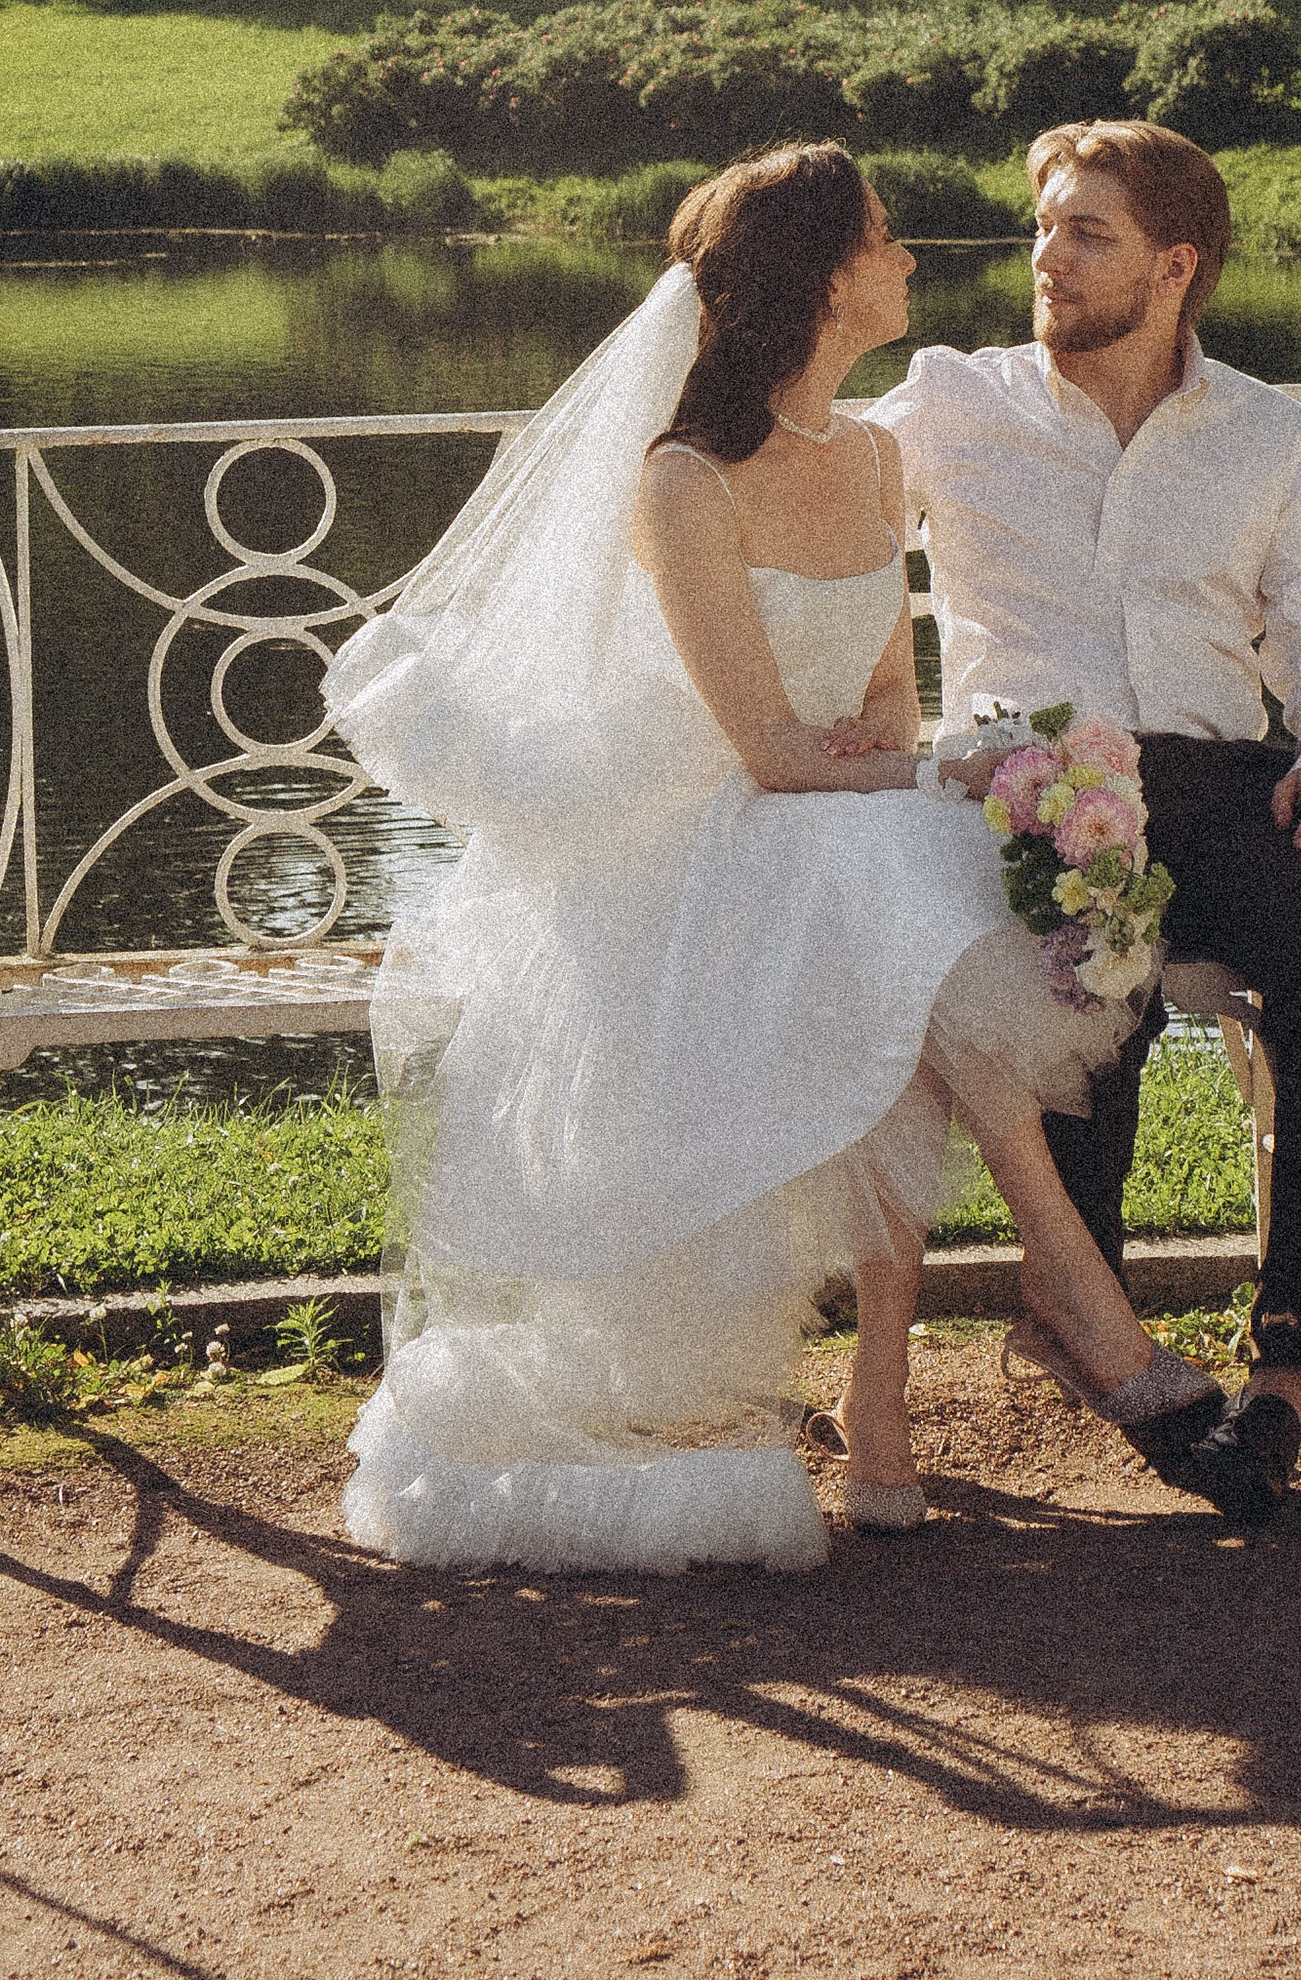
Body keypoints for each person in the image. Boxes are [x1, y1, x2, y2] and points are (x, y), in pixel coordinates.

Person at [321, 145, 1233, 1577]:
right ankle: (1061, 1308)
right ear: (820, 276)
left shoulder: (877, 460)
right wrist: (920, 771)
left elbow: (882, 706)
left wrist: (917, 763)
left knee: (902, 903)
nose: (912, 259)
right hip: (684, 842)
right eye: (883, 236)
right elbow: (758, 746)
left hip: (825, 823)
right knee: (897, 901)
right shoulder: (683, 479)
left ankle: (898, 1396)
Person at [872, 121, 1301, 1524]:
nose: (1047, 263)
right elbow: (806, 516)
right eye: (1043, 230)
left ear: (1176, 266)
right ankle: (1094, 1323)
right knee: (1085, 971)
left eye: (1087, 235)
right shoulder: (952, 401)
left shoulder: (1266, 434)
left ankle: (1289, 1378)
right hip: (1031, 781)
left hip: (1219, 781)